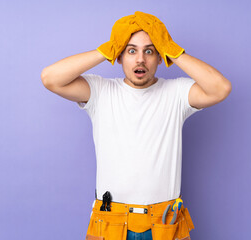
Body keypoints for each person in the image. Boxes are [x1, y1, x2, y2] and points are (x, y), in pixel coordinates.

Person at [41, 11, 231, 240]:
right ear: (119, 56)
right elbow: (50, 78)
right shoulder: (101, 91)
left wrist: (172, 49)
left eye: (149, 51)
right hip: (111, 221)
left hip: (165, 223)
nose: (140, 59)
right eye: (131, 50)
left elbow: (221, 88)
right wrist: (107, 48)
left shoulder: (177, 92)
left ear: (161, 57)